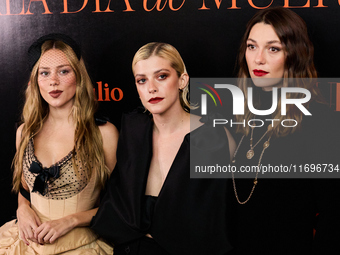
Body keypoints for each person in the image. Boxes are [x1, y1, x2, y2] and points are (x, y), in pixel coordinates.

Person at [91, 42, 236, 255]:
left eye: (161, 76)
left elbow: (222, 217)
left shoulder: (214, 136)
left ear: (182, 80)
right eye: (142, 80)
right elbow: (116, 205)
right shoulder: (133, 133)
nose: (151, 88)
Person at [228, 7, 340, 254]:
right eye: (251, 46)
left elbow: (334, 216)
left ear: (294, 54)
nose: (258, 59)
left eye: (273, 48)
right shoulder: (237, 116)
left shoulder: (319, 121)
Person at [0, 33, 119, 254]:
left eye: (63, 71)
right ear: (36, 80)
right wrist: (22, 208)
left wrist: (72, 220)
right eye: (44, 73)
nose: (53, 81)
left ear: (79, 76)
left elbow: (119, 206)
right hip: (26, 243)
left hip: (81, 245)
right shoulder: (25, 132)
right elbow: (25, 191)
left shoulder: (104, 134)